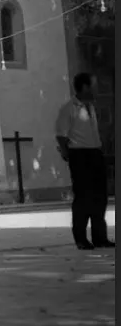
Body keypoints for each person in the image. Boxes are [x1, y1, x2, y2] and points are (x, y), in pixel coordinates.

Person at [55, 73, 115, 251]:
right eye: (93, 85)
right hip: (79, 155)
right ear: (84, 87)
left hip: (95, 153)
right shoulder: (69, 108)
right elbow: (61, 135)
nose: (96, 89)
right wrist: (68, 154)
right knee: (83, 197)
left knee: (100, 196)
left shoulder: (90, 107)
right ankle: (81, 238)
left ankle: (100, 237)